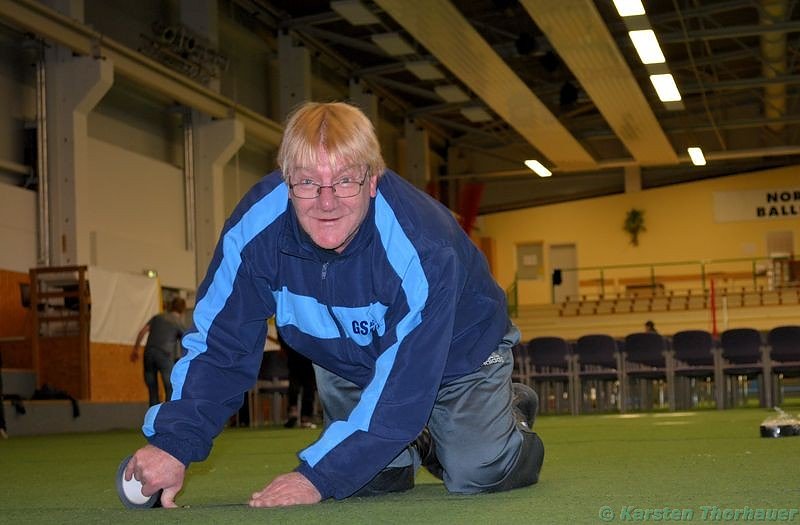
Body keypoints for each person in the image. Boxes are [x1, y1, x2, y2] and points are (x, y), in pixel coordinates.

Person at [124, 101, 544, 508]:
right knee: (369, 479)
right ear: (286, 179)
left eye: (345, 180)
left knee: (478, 471)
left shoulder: (422, 244)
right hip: (347, 359)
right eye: (307, 182)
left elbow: (405, 379)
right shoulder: (254, 230)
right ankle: (414, 436)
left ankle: (510, 414)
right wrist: (173, 443)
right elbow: (222, 343)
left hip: (461, 352)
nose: (327, 202)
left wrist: (316, 477)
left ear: (373, 179)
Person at [130, 297, 187, 407]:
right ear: (182, 310)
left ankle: (153, 420)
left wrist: (135, 350)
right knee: (169, 387)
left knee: (152, 389)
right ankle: (168, 417)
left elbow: (142, 332)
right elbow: (185, 340)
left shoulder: (157, 317)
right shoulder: (178, 322)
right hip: (164, 355)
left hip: (148, 353)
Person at [279, 331, 317, 429]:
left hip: (293, 350)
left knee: (294, 383)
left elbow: (281, 330)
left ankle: (293, 411)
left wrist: (284, 347)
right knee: (308, 386)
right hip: (307, 353)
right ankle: (305, 417)